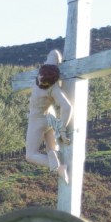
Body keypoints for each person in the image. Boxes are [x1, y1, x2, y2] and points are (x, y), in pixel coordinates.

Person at [25, 49, 73, 184]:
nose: (40, 79)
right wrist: (56, 62)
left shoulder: (52, 88)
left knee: (30, 155)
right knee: (53, 149)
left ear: (50, 81)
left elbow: (68, 107)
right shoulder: (53, 85)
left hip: (37, 120)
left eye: (44, 80)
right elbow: (54, 52)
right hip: (50, 118)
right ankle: (53, 156)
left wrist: (62, 129)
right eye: (40, 75)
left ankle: (58, 167)